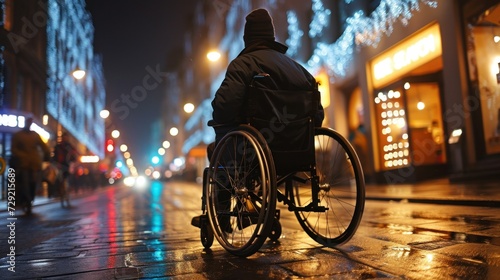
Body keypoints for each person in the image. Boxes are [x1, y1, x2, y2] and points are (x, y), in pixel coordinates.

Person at [210, 8, 324, 145]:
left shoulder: (242, 65)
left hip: (253, 151)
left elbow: (224, 109)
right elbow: (317, 118)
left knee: (215, 148)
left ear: (247, 38)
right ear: (272, 36)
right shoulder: (301, 71)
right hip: (297, 150)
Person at [10, 117, 51, 214]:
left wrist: (47, 156)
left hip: (34, 164)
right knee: (25, 184)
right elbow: (13, 148)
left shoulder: (35, 135)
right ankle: (28, 201)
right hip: (23, 164)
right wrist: (21, 155)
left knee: (33, 183)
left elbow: (44, 147)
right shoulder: (18, 135)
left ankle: (30, 200)